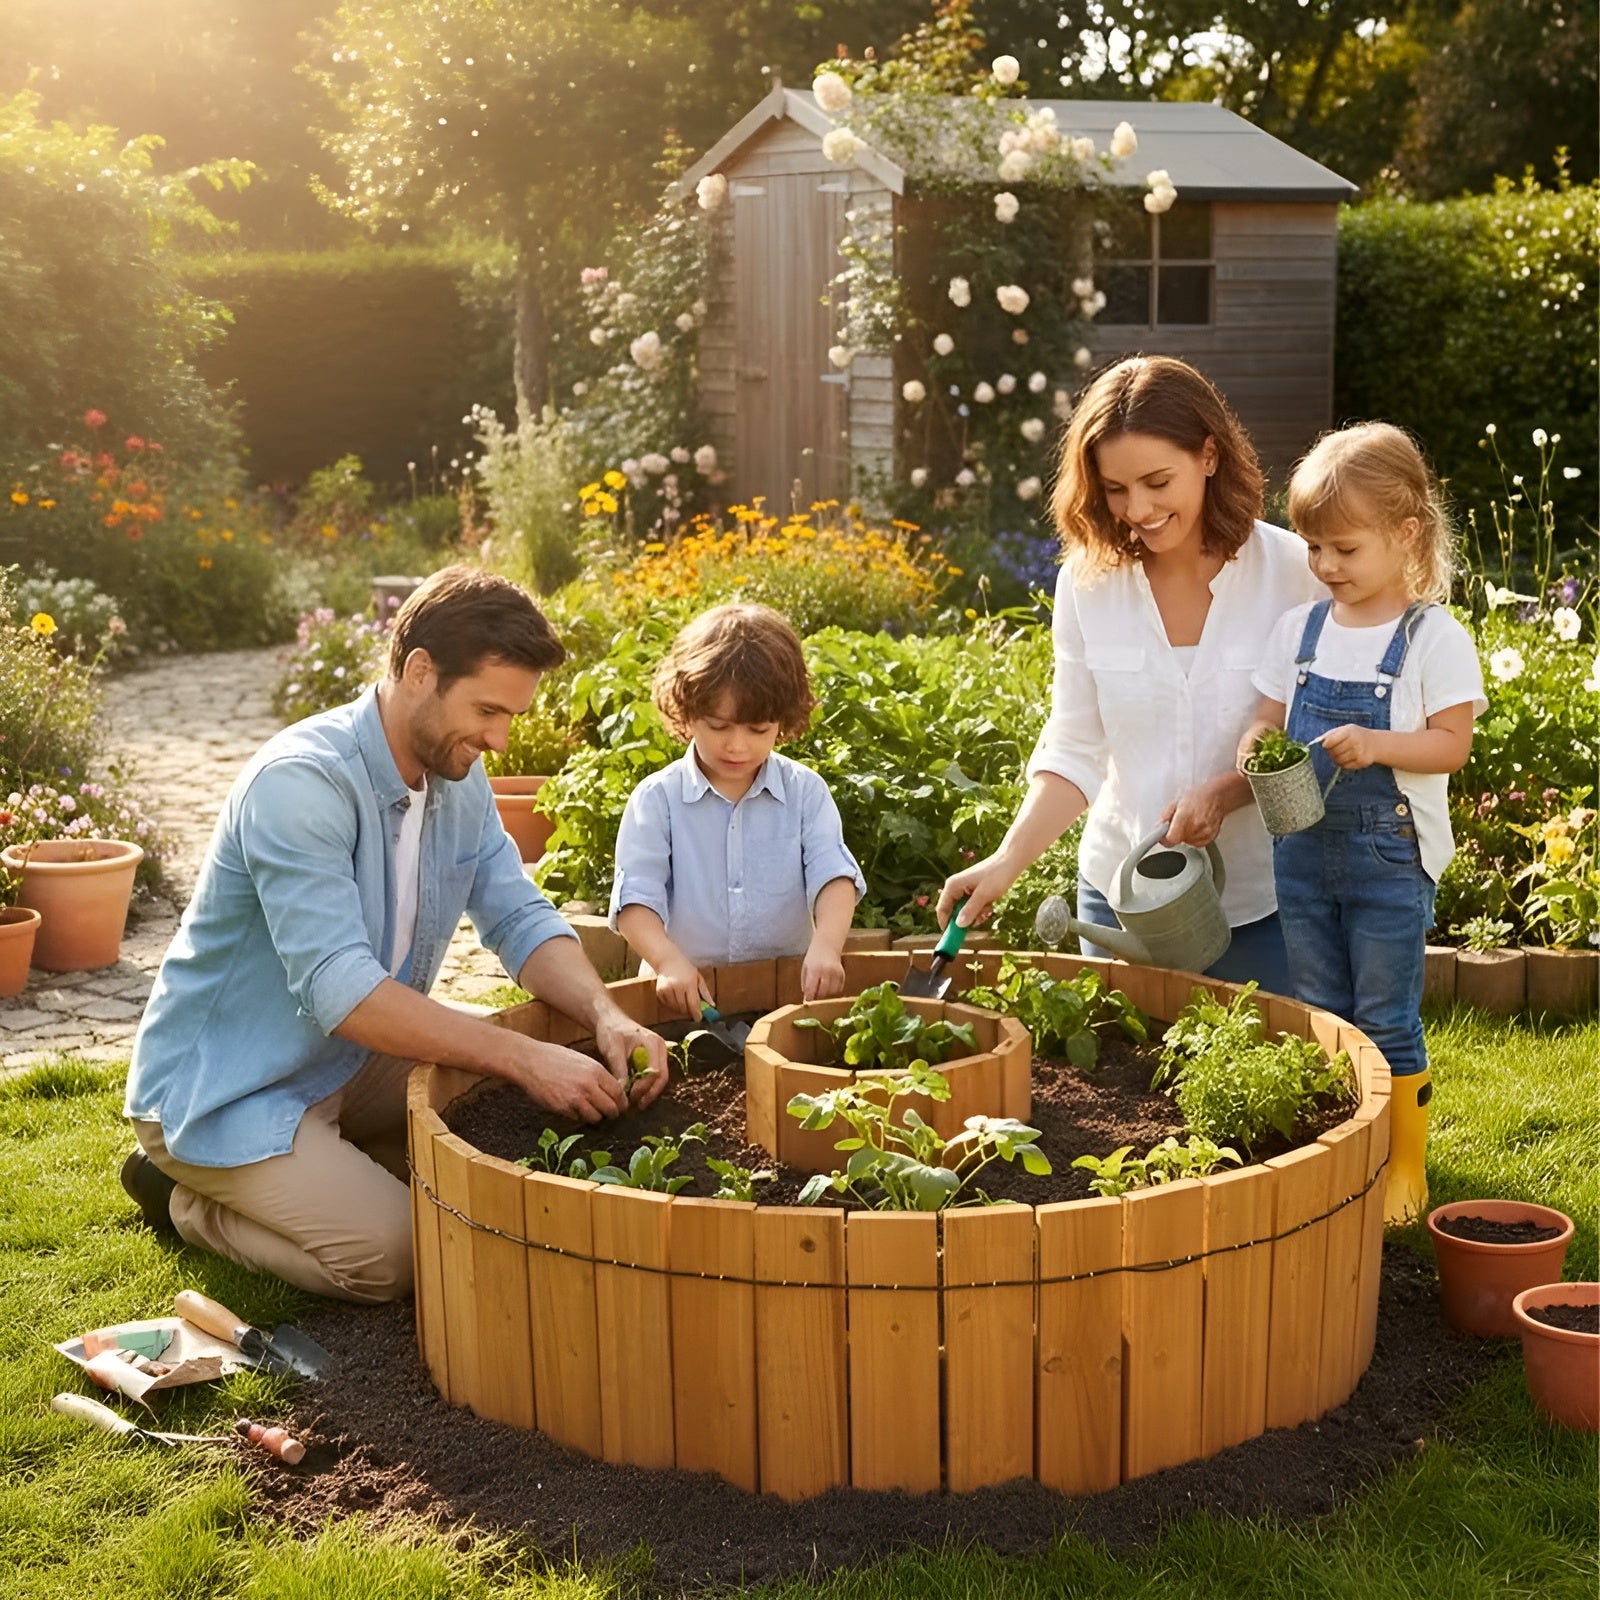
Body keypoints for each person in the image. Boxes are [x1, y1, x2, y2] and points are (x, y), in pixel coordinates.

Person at [119, 566, 668, 1303]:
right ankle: (184, 1196)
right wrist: (524, 1057)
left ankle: (318, 1164)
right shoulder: (301, 785)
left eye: (511, 716)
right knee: (399, 1257)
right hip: (230, 1086)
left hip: (348, 1060)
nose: (501, 739)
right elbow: (342, 992)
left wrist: (605, 1015)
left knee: (490, 1150)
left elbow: (516, 914)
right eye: (487, 710)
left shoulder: (457, 777)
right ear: (418, 671)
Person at [936, 355, 1323, 994]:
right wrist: (1007, 862)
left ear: (1208, 455)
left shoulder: (1293, 572)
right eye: (1116, 489)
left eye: (1156, 481)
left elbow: (1318, 735)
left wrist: (1227, 794)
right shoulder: (1088, 584)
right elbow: (1076, 745)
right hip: (1121, 896)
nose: (1137, 509)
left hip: (1263, 905)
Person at [1237, 422, 1483, 1224]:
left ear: (1405, 535)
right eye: (1314, 549)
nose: (1326, 567)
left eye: (1345, 548)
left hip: (1388, 860)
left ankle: (1402, 1171)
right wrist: (1253, 750)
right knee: (1322, 1009)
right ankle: (1341, 1159)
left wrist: (1377, 745)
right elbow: (1266, 716)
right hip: (1301, 853)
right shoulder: (1299, 634)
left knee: (1384, 1014)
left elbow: (1451, 745)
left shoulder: (1431, 639)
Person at [610, 602, 865, 1016]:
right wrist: (666, 961)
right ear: (687, 709)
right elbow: (636, 898)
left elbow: (833, 874)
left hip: (786, 994)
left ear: (784, 719)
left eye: (758, 729)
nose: (737, 745)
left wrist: (827, 945)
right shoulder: (657, 800)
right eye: (719, 726)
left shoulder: (805, 792)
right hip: (684, 998)